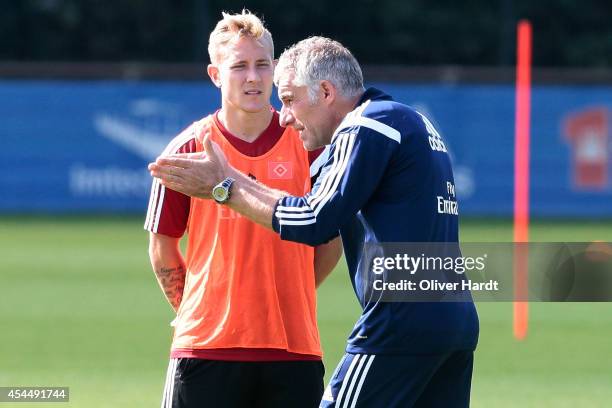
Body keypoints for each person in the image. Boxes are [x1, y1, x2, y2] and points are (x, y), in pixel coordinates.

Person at [150, 36, 480, 407]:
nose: (286, 115)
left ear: (325, 92)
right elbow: (315, 206)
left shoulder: (366, 126)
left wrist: (225, 188)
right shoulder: (409, 121)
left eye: (290, 99)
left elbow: (314, 220)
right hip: (456, 319)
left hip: (400, 321)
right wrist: (231, 178)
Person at [145, 15, 342, 408]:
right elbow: (162, 248)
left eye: (262, 64)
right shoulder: (187, 149)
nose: (253, 77)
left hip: (294, 348)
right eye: (239, 66)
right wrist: (198, 308)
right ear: (216, 74)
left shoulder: (311, 146)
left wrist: (290, 290)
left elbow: (331, 239)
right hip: (205, 349)